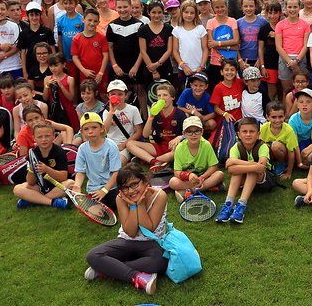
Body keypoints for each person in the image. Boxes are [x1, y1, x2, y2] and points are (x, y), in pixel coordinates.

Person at [83, 163, 168, 295]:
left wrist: (140, 204)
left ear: (145, 180)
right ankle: (137, 277)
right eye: (125, 187)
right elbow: (131, 232)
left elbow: (149, 229)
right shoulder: (121, 198)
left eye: (134, 184)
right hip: (127, 241)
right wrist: (133, 206)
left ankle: (108, 269)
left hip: (152, 243)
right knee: (93, 255)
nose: (131, 191)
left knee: (159, 262)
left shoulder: (160, 195)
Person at [216, 118, 271, 224]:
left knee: (252, 171)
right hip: (245, 179)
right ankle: (228, 204)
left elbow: (261, 168)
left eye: (252, 131)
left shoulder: (262, 146)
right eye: (244, 131)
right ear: (239, 135)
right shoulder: (235, 147)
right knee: (241, 171)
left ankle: (241, 205)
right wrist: (253, 165)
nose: (248, 134)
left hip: (263, 180)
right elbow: (231, 170)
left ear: (258, 134)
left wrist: (234, 161)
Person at [13, 121, 72, 209]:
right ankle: (52, 202)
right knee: (17, 189)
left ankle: (34, 200)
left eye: (47, 136)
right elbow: (30, 182)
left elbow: (63, 177)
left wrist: (47, 169)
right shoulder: (33, 153)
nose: (44, 139)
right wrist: (32, 170)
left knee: (70, 183)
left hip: (56, 185)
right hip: (40, 187)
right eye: (40, 137)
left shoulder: (59, 152)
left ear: (53, 136)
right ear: (34, 138)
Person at [72, 112, 122, 211]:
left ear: (102, 128)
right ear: (82, 132)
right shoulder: (82, 149)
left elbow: (116, 172)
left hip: (112, 187)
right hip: (93, 190)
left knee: (121, 203)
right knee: (95, 211)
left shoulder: (111, 146)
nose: (90, 131)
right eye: (86, 129)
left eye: (94, 127)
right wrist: (77, 186)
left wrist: (104, 190)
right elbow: (80, 172)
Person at [127, 83, 184, 168]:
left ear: (172, 97)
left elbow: (188, 133)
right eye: (159, 96)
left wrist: (179, 137)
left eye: (165, 95)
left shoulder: (180, 114)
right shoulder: (156, 114)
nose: (161, 98)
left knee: (178, 152)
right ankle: (155, 161)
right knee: (130, 144)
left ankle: (155, 160)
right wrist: (151, 116)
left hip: (174, 147)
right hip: (160, 146)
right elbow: (145, 135)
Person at [168, 116, 225, 199]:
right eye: (189, 132)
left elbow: (214, 166)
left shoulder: (206, 145)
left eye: (197, 131)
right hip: (188, 180)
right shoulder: (179, 148)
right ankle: (207, 187)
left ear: (202, 132)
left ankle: (190, 191)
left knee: (220, 174)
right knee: (172, 182)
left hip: (204, 177)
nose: (193, 135)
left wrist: (202, 177)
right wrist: (188, 175)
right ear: (184, 134)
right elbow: (177, 172)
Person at [276, 0, 312, 94]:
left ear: (299, 8)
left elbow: (306, 45)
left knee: (302, 90)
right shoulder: (280, 25)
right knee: (287, 90)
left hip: (300, 59)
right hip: (285, 59)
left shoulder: (305, 25)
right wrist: (289, 61)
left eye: (295, 7)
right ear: (286, 8)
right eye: (290, 7)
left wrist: (296, 61)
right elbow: (278, 46)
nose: (292, 10)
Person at [71, 9, 110, 96]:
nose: (92, 23)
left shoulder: (102, 37)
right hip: (85, 75)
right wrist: (83, 70)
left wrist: (101, 73)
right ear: (83, 20)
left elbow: (106, 56)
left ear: (98, 23)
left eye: (95, 21)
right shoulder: (76, 39)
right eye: (89, 20)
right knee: (87, 95)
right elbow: (75, 57)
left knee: (103, 96)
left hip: (100, 75)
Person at [102, 80, 143, 161]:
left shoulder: (133, 109)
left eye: (120, 94)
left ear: (126, 95)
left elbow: (139, 131)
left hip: (126, 144)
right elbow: (104, 131)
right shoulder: (107, 112)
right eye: (113, 94)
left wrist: (124, 144)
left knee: (118, 162)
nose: (117, 97)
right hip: (110, 144)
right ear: (108, 96)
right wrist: (111, 112)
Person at [172, 1, 208, 83]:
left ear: (196, 14)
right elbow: (175, 51)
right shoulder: (177, 30)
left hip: (199, 68)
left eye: (192, 13)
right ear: (181, 13)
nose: (189, 15)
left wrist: (201, 66)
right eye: (186, 12)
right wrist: (183, 66)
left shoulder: (200, 29)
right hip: (183, 69)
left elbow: (205, 49)